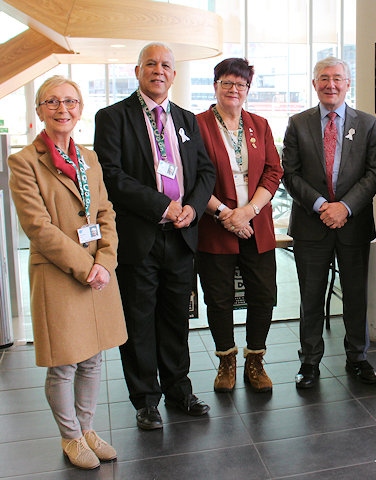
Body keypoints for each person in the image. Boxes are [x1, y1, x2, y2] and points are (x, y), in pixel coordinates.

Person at [93, 42, 216, 430]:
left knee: (176, 317)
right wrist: (163, 205)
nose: (158, 70)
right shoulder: (113, 117)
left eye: (165, 64)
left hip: (181, 237)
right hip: (140, 237)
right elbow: (111, 175)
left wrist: (193, 208)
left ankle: (179, 390)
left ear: (174, 75)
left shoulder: (185, 119)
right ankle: (146, 399)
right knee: (140, 320)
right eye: (151, 64)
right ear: (138, 71)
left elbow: (205, 172)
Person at [8, 75, 128, 469]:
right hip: (61, 274)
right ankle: (71, 437)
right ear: (39, 110)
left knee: (92, 358)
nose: (63, 109)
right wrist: (86, 268)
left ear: (80, 109)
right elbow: (37, 227)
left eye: (71, 102)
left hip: (97, 273)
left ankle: (88, 428)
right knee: (64, 363)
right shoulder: (24, 162)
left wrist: (105, 262)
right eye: (53, 102)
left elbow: (106, 212)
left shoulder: (88, 157)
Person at [282, 57, 376, 389]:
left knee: (355, 295)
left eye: (337, 78)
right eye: (323, 78)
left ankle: (357, 357)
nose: (331, 84)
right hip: (312, 223)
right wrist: (323, 205)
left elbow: (373, 174)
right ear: (314, 84)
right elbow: (290, 173)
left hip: (352, 224)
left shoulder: (368, 124)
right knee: (310, 296)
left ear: (348, 83)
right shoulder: (298, 123)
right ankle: (309, 362)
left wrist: (345, 207)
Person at [196, 58, 283, 393]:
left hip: (256, 225)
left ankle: (255, 359)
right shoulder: (197, 124)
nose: (234, 90)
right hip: (214, 226)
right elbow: (191, 178)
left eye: (240, 84)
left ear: (248, 88)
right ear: (215, 85)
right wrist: (225, 215)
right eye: (227, 83)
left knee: (263, 295)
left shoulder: (259, 125)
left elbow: (274, 171)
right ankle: (226, 360)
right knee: (219, 299)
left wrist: (248, 211)